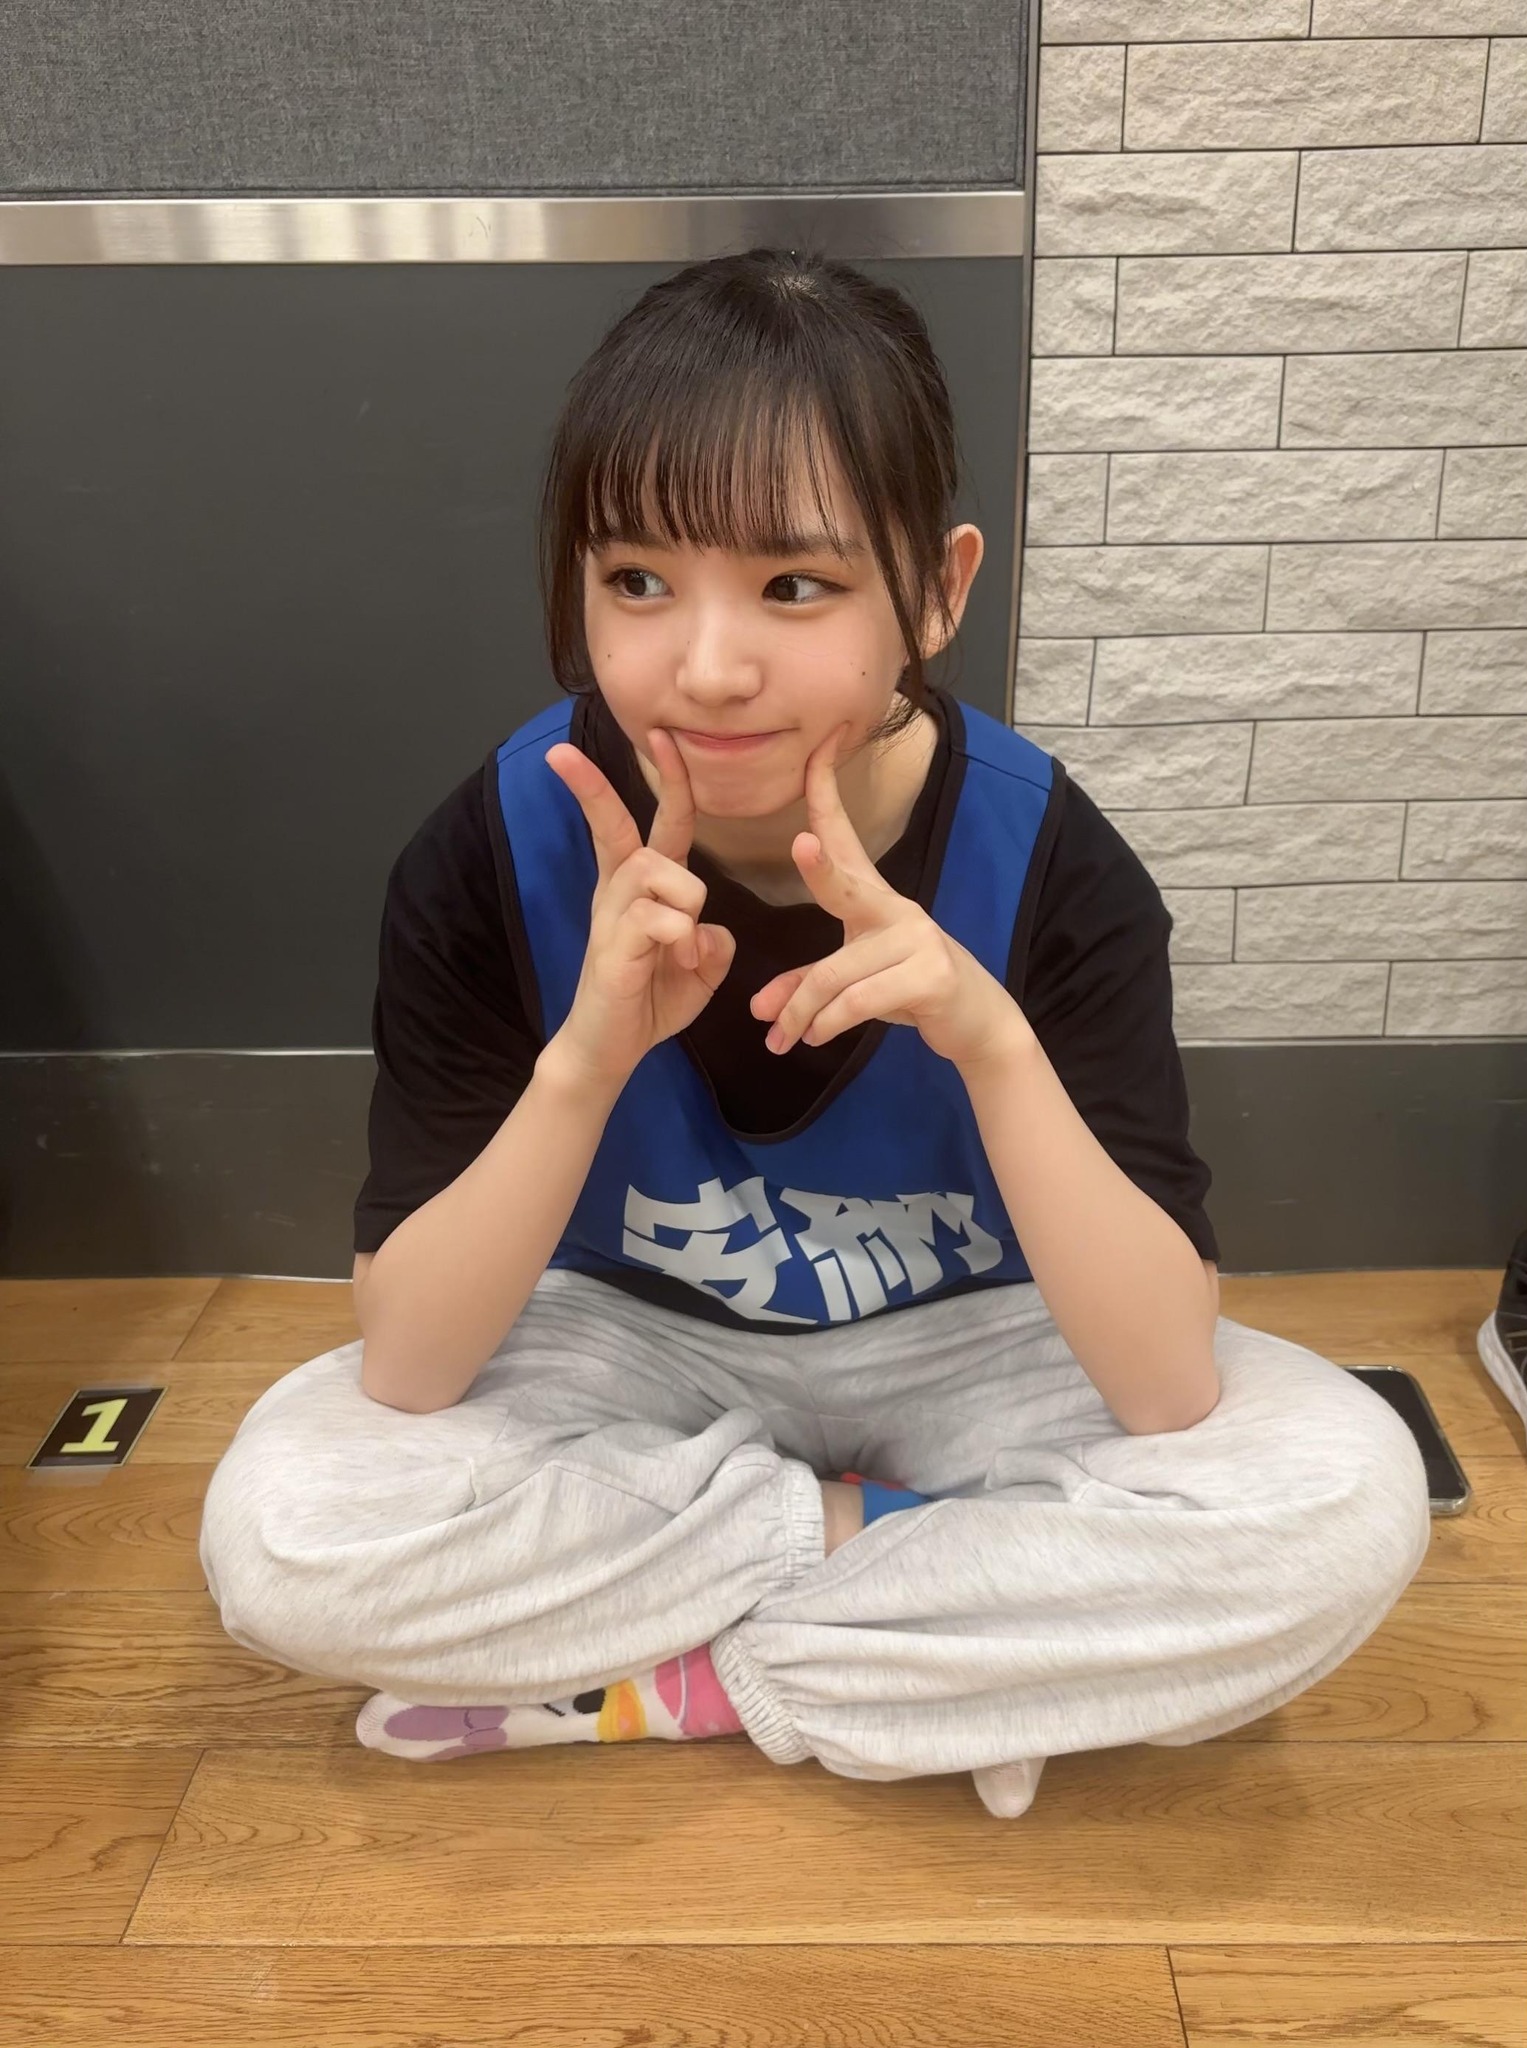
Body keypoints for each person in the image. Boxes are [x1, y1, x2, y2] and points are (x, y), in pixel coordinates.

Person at [198, 248, 1431, 1819]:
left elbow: (1167, 1388)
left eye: (795, 586)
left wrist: (991, 1043)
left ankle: (675, 1678)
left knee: (1343, 1500)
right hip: (625, 1341)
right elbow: (413, 1361)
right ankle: (916, 1609)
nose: (709, 668)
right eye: (637, 581)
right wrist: (585, 1062)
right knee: (284, 1536)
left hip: (977, 1341)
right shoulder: (495, 847)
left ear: (939, 589)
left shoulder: (1051, 859)